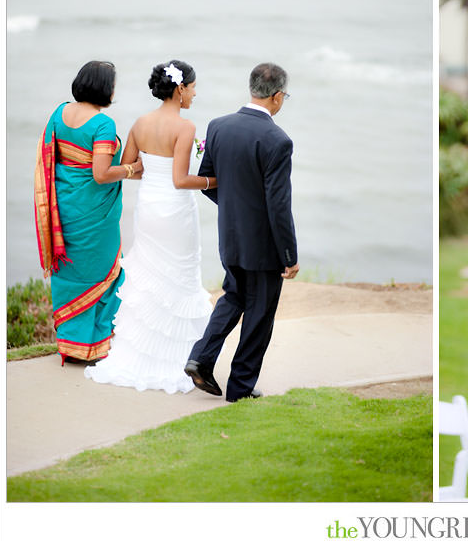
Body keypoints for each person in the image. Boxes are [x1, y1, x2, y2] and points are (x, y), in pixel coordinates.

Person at [85, 60, 216, 393]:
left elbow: (129, 167)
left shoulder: (140, 123)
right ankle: (177, 360)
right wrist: (214, 180)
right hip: (175, 212)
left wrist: (151, 169)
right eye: (193, 86)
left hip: (148, 210)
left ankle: (140, 355)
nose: (195, 93)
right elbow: (181, 179)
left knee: (150, 275)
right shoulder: (185, 128)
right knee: (181, 277)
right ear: (180, 88)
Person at [184, 63, 299, 403]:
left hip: (230, 236)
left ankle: (200, 357)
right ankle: (240, 389)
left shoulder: (218, 127)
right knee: (260, 312)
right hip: (263, 246)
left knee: (233, 296)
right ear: (277, 97)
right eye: (285, 96)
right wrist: (289, 256)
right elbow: (278, 206)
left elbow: (207, 180)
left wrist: (234, 208)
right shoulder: (278, 140)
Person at [34, 60, 142, 365]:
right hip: (93, 217)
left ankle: (71, 346)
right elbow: (101, 174)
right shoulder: (102, 124)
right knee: (104, 273)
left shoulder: (60, 112)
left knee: (70, 272)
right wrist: (133, 168)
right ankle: (95, 347)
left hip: (64, 211)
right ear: (105, 88)